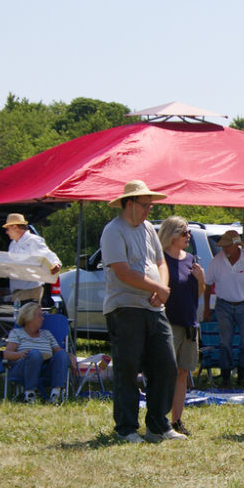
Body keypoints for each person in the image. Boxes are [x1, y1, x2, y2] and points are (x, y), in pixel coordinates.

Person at [101, 180, 186, 444]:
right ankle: (126, 428)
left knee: (167, 367)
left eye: (151, 204)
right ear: (129, 203)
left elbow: (161, 261)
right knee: (128, 369)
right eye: (145, 204)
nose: (150, 209)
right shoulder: (113, 231)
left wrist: (161, 289)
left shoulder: (149, 228)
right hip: (125, 307)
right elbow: (123, 271)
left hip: (153, 307)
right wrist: (158, 288)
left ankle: (157, 426)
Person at [159, 216, 205, 436]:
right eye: (184, 233)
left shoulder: (192, 259)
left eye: (189, 233)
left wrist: (201, 279)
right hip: (168, 323)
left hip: (189, 323)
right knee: (164, 372)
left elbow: (196, 294)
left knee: (182, 373)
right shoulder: (160, 260)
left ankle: (177, 420)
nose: (188, 237)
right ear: (172, 234)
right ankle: (159, 418)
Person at [203, 230, 244, 387]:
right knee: (224, 342)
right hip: (223, 304)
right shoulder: (217, 260)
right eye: (222, 246)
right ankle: (226, 377)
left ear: (237, 245)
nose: (224, 249)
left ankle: (242, 375)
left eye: (227, 246)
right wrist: (207, 308)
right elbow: (207, 284)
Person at [3, 302, 77, 404]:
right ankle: (30, 394)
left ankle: (55, 394)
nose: (43, 318)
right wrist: (21, 354)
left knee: (62, 355)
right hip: (23, 368)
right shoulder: (17, 333)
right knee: (34, 354)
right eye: (39, 315)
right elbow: (6, 354)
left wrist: (70, 356)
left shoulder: (46, 334)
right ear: (28, 317)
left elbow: (59, 352)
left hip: (44, 368)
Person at [3, 213, 62, 303]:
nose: (6, 232)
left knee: (29, 316)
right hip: (17, 291)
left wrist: (56, 263)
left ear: (15, 227)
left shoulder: (33, 240)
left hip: (31, 290)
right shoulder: (13, 244)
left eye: (8, 229)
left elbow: (48, 254)